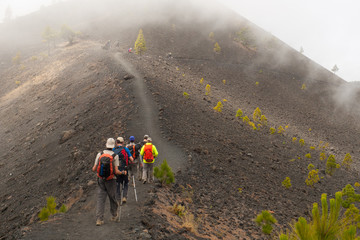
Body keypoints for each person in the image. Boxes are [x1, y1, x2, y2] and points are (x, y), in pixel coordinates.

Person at [92, 138, 124, 226]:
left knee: (101, 199)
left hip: (101, 179)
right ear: (113, 146)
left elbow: (94, 169)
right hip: (111, 180)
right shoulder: (115, 156)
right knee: (112, 197)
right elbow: (116, 171)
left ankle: (99, 219)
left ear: (106, 144)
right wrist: (122, 173)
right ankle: (114, 215)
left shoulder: (100, 154)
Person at [113, 137, 133, 204]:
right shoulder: (125, 149)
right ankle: (124, 196)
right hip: (124, 170)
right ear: (123, 142)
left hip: (116, 170)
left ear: (116, 142)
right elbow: (132, 159)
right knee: (126, 183)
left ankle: (118, 200)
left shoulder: (113, 150)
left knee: (117, 184)